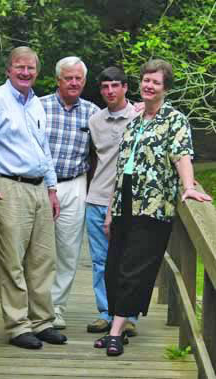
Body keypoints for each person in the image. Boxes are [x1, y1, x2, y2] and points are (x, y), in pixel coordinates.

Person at [94, 59, 212, 356]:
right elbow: (120, 169)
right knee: (113, 268)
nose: (148, 85)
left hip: (154, 204)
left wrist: (188, 187)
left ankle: (116, 332)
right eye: (146, 80)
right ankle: (115, 326)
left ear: (165, 88)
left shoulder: (175, 120)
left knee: (134, 269)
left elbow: (182, 156)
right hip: (124, 201)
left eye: (155, 82)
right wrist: (109, 210)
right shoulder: (134, 119)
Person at [0, 46, 67, 350]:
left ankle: (42, 321)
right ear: (8, 70)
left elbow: (42, 149)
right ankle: (19, 326)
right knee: (13, 260)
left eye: (31, 68)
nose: (25, 73)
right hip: (9, 186)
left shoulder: (35, 104)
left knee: (43, 258)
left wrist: (51, 188)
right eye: (19, 67)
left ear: (37, 71)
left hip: (38, 188)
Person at [41, 57, 100, 329]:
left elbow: (117, 129)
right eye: (69, 78)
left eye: (78, 78)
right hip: (40, 185)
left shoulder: (93, 112)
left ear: (84, 82)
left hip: (76, 183)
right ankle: (36, 307)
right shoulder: (38, 107)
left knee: (68, 249)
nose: (74, 82)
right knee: (37, 250)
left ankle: (56, 309)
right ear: (58, 80)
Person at [86, 66, 139, 336]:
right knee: (100, 261)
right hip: (96, 199)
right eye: (105, 87)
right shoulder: (95, 121)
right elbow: (96, 159)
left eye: (115, 85)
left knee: (128, 260)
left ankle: (127, 316)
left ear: (125, 88)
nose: (110, 91)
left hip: (128, 202)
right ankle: (105, 313)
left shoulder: (141, 116)